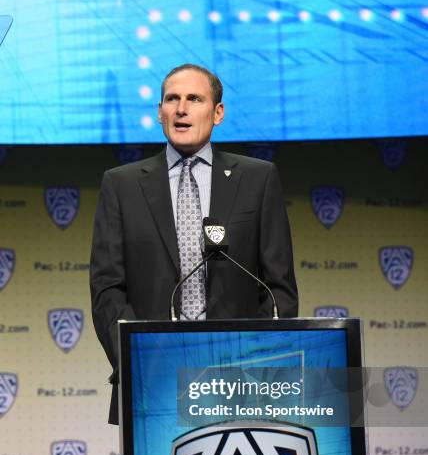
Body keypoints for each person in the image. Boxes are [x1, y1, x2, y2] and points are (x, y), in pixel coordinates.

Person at [90, 63, 298, 425]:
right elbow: (107, 288)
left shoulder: (257, 179)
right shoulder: (121, 185)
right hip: (151, 380)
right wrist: (136, 359)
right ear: (160, 112)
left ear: (217, 113)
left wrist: (256, 363)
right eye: (172, 99)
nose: (181, 109)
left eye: (194, 99)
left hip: (239, 381)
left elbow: (278, 288)